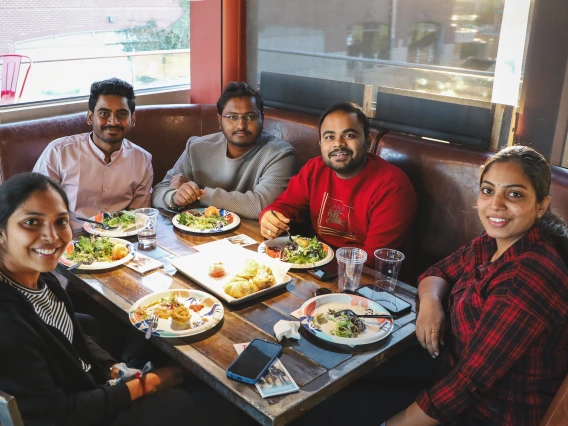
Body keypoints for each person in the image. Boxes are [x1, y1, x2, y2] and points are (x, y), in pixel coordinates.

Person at [0, 173, 246, 426]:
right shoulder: (8, 323)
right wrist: (153, 382)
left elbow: (70, 335)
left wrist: (113, 367)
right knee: (214, 401)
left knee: (108, 331)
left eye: (60, 221)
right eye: (31, 222)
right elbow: (62, 415)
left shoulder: (37, 277)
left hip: (85, 383)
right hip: (79, 415)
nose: (51, 236)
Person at [259, 102, 416, 265]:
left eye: (349, 135)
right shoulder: (315, 168)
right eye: (329, 137)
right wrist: (270, 217)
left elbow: (373, 260)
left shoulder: (393, 186)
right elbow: (285, 206)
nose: (338, 143)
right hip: (317, 265)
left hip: (366, 279)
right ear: (320, 144)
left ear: (367, 142)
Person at [152, 81, 297, 219]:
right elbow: (159, 191)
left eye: (250, 117)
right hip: (199, 233)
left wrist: (198, 192)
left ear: (262, 118)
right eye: (232, 117)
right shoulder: (197, 147)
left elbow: (261, 205)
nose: (241, 125)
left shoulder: (280, 154)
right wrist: (174, 198)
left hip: (251, 238)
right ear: (219, 120)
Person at [33, 78, 153, 218]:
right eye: (104, 113)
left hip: (120, 236)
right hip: (70, 235)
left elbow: (139, 216)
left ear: (132, 119)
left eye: (121, 114)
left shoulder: (142, 160)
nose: (113, 121)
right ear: (90, 117)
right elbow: (38, 205)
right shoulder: (59, 152)